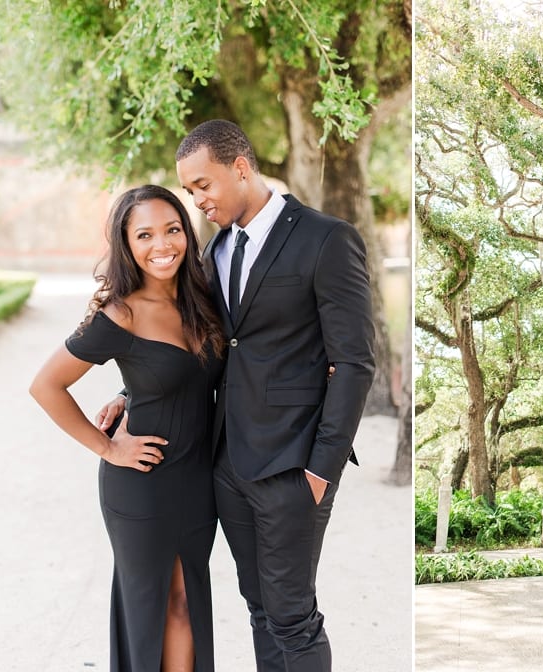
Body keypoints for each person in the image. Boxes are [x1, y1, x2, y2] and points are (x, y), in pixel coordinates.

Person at [98, 119, 375, 671]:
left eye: (203, 185)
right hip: (227, 464)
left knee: (292, 616)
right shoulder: (215, 250)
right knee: (259, 608)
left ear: (241, 168)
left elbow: (355, 362)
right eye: (190, 189)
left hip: (293, 467)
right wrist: (132, 392)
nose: (196, 200)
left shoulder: (326, 238)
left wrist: (321, 470)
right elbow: (193, 342)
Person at [30, 185, 225, 671]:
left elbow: (193, 375)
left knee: (187, 603)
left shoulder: (205, 294)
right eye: (145, 235)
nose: (162, 245)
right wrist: (108, 449)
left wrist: (128, 394)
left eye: (172, 229)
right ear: (126, 244)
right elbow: (45, 386)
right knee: (150, 610)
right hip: (142, 483)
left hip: (198, 478)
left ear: (186, 232)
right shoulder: (120, 312)